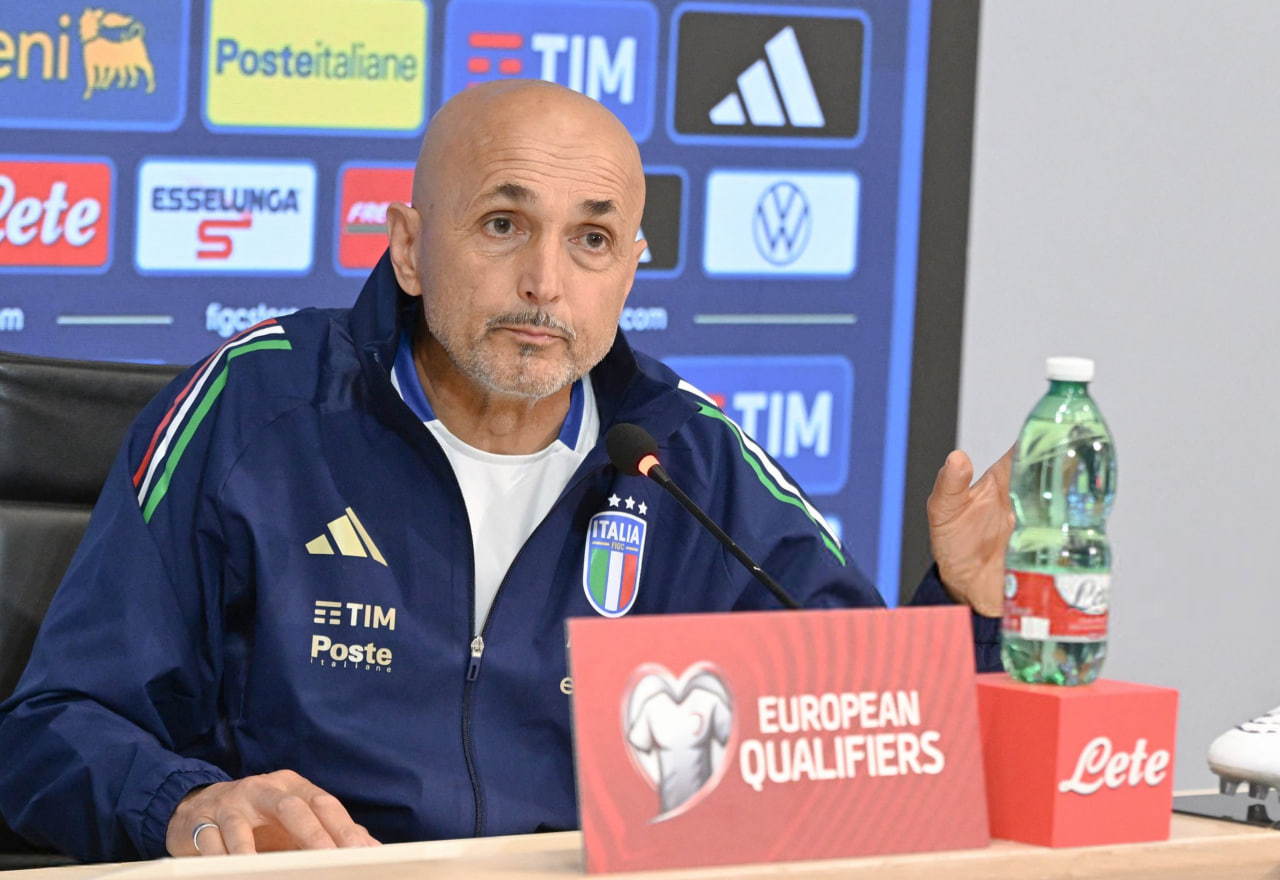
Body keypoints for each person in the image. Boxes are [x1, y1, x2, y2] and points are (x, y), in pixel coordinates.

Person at [0, 80, 1012, 862]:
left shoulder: (682, 458)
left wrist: (969, 613)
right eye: (502, 224)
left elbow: (863, 738)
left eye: (591, 239)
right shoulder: (255, 411)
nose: (544, 282)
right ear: (409, 247)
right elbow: (51, 728)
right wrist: (184, 804)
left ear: (628, 271)